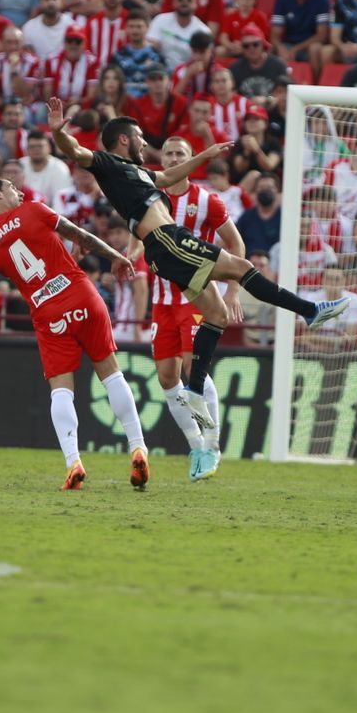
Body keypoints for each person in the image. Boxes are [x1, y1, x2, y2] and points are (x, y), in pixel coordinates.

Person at [47, 97, 348, 426]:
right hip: (167, 240)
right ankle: (310, 312)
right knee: (242, 267)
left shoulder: (140, 172)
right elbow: (76, 151)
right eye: (139, 136)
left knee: (217, 313)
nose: (145, 142)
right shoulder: (108, 164)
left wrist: (205, 156)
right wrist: (59, 134)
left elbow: (166, 177)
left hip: (165, 248)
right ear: (124, 139)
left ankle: (193, 389)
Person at [0, 174, 150, 490]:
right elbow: (77, 234)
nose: (18, 190)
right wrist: (115, 256)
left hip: (47, 310)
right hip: (81, 293)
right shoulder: (35, 210)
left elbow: (30, 258)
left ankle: (73, 462)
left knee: (61, 390)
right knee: (111, 375)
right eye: (12, 187)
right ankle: (138, 446)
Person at [149, 136, 244, 481]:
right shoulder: (150, 199)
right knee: (167, 377)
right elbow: (137, 239)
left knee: (194, 368)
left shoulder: (206, 201)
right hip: (161, 301)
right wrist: (127, 257)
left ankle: (213, 445)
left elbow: (234, 243)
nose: (174, 158)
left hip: (197, 297)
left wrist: (233, 290)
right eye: (169, 154)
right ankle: (196, 445)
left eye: (180, 154)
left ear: (191, 160)